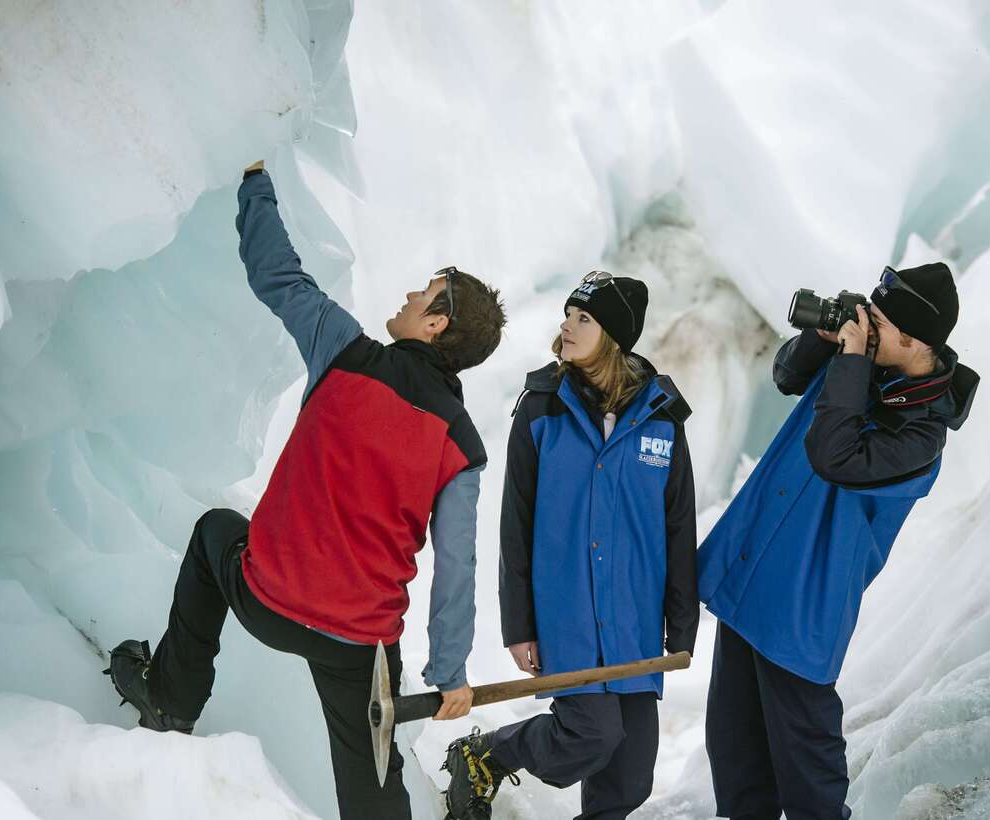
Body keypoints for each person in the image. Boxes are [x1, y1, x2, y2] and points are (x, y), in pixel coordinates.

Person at [104, 160, 507, 819]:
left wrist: (255, 182)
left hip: (266, 594)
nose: (408, 297)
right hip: (359, 646)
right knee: (374, 784)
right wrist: (451, 676)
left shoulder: (345, 350)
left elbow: (277, 274)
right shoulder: (462, 444)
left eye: (423, 294)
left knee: (213, 533)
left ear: (436, 324)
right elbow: (456, 566)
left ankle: (170, 700)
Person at [698, 263, 980, 820]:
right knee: (736, 756)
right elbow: (785, 375)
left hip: (805, 607)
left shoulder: (921, 436)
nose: (865, 330)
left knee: (810, 776)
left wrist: (851, 361)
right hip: (753, 580)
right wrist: (821, 340)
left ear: (909, 338)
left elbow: (834, 456)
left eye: (876, 323)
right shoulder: (864, 364)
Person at [441, 271, 699, 820]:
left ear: (615, 335)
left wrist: (682, 624)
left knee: (631, 777)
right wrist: (521, 624)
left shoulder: (662, 418)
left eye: (584, 318)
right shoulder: (542, 409)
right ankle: (485, 756)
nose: (567, 326)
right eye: (568, 314)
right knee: (591, 735)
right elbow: (517, 523)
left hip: (635, 620)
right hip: (569, 614)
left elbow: (679, 527)